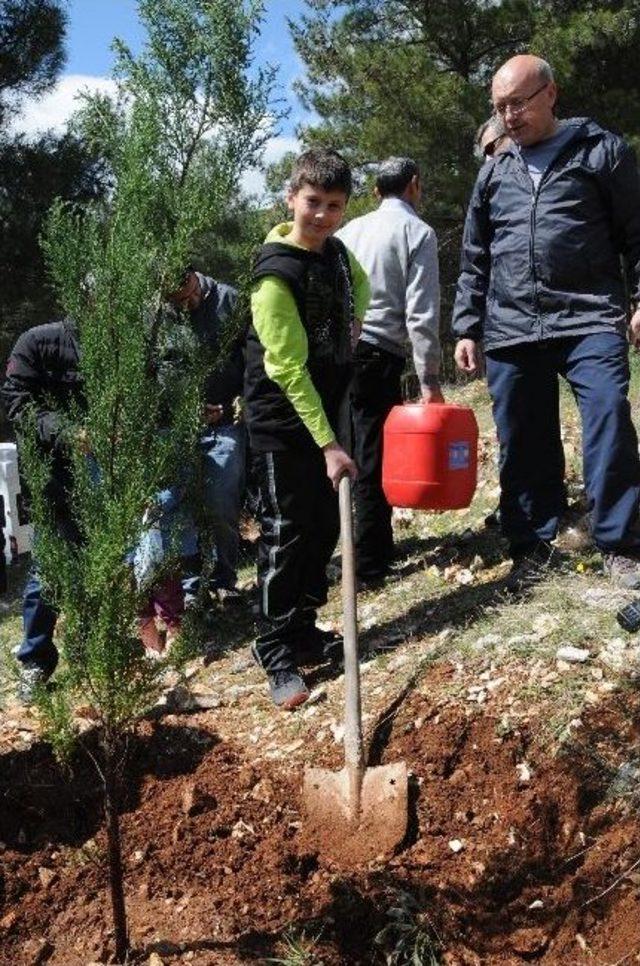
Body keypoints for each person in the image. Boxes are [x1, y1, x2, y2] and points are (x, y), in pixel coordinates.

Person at [453, 54, 640, 590]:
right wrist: (467, 326)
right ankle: (531, 545)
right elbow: (475, 256)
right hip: (512, 325)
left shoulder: (602, 152)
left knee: (607, 419)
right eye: (498, 107)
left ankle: (620, 544)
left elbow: (636, 234)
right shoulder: (494, 171)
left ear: (550, 95)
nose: (508, 116)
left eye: (517, 103)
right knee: (521, 440)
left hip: (589, 317)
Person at [245, 147, 370, 710]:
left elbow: (358, 284)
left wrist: (355, 320)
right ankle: (272, 646)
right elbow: (287, 370)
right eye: (313, 202)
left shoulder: (338, 254)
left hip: (327, 407)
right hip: (284, 420)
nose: (321, 215)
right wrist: (328, 444)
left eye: (334, 205)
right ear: (292, 197)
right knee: (287, 531)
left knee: (323, 527)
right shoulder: (276, 275)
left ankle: (301, 625)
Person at [1, 320, 184, 698]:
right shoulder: (39, 342)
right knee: (51, 567)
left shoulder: (129, 341)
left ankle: (95, 651)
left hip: (117, 473)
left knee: (120, 566)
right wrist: (69, 433)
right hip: (59, 474)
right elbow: (18, 404)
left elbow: (149, 396)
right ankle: (36, 661)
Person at [336, 157, 442, 585]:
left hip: (339, 353)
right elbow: (421, 313)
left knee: (346, 448)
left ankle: (359, 545)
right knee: (373, 456)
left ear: (376, 191)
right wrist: (429, 379)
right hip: (379, 353)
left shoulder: (347, 232)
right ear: (414, 186)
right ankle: (368, 561)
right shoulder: (417, 232)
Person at [163, 269, 246, 605]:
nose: (189, 304)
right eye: (179, 301)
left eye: (192, 293)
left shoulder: (231, 301)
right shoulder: (153, 317)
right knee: (179, 507)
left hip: (226, 420)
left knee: (221, 500)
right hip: (177, 427)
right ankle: (192, 585)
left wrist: (242, 400)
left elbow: (254, 357)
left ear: (195, 277)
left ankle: (224, 577)